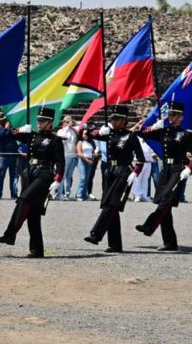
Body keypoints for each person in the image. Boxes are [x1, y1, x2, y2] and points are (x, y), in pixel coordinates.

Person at [0, 107, 64, 257]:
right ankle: (36, 250)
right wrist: (20, 130)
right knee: (33, 214)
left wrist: (57, 180)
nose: (38, 123)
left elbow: (61, 162)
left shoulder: (55, 140)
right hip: (30, 173)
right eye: (38, 120)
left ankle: (10, 234)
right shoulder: (32, 135)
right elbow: (12, 135)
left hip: (45, 174)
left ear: (50, 123)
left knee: (23, 200)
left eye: (42, 121)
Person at [136, 102, 192, 252]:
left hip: (178, 169)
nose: (171, 117)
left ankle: (149, 225)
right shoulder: (163, 132)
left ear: (181, 117)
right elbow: (140, 133)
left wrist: (189, 170)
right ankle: (170, 242)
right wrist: (153, 127)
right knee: (165, 206)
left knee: (165, 202)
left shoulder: (185, 134)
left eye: (174, 115)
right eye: (170, 114)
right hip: (166, 170)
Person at [84, 105, 144, 253]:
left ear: (124, 120)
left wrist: (135, 173)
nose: (113, 121)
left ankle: (96, 234)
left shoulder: (131, 136)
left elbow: (141, 158)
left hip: (124, 172)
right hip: (109, 171)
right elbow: (86, 133)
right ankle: (115, 244)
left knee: (111, 205)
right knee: (111, 208)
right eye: (111, 118)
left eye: (116, 119)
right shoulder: (109, 134)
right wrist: (97, 131)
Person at [0, 119, 19, 199]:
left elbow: (18, 136)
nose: (9, 124)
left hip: (13, 156)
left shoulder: (14, 130)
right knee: (1, 176)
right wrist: (6, 128)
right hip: (3, 156)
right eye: (8, 122)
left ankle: (13, 194)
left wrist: (12, 130)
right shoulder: (0, 130)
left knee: (13, 177)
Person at [55, 116, 79, 200]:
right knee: (62, 176)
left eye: (69, 121)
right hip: (65, 155)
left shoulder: (73, 131)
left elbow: (83, 125)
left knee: (69, 176)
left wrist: (74, 123)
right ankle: (60, 194)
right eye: (66, 121)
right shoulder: (60, 131)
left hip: (73, 155)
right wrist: (67, 127)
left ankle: (67, 194)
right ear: (63, 122)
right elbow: (62, 139)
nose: (68, 123)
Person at [75, 127, 99, 200]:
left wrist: (93, 158)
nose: (86, 135)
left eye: (87, 134)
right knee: (83, 178)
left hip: (89, 160)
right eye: (84, 133)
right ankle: (79, 195)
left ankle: (84, 194)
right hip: (82, 161)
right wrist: (87, 160)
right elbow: (79, 153)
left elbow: (92, 152)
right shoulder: (80, 142)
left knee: (87, 178)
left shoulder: (89, 142)